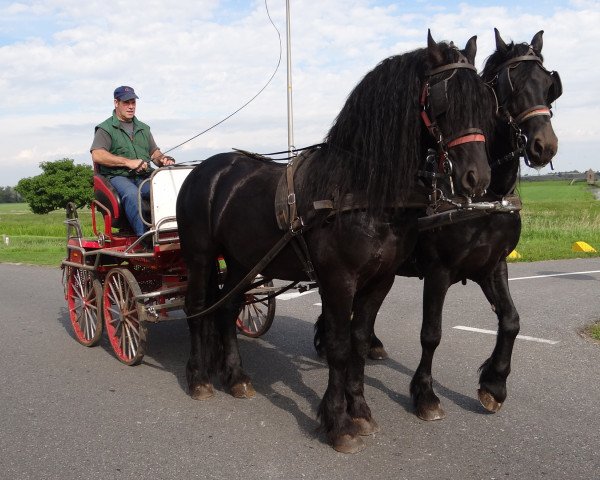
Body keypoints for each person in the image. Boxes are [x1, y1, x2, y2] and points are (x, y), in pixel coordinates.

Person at [90, 85, 175, 236]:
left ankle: (170, 232)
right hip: (118, 176)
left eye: (133, 103)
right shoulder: (106, 129)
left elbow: (154, 152)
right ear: (116, 103)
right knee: (132, 194)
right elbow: (97, 155)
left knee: (164, 188)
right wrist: (128, 162)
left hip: (143, 176)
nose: (131, 107)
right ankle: (145, 238)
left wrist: (163, 160)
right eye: (126, 103)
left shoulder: (143, 128)